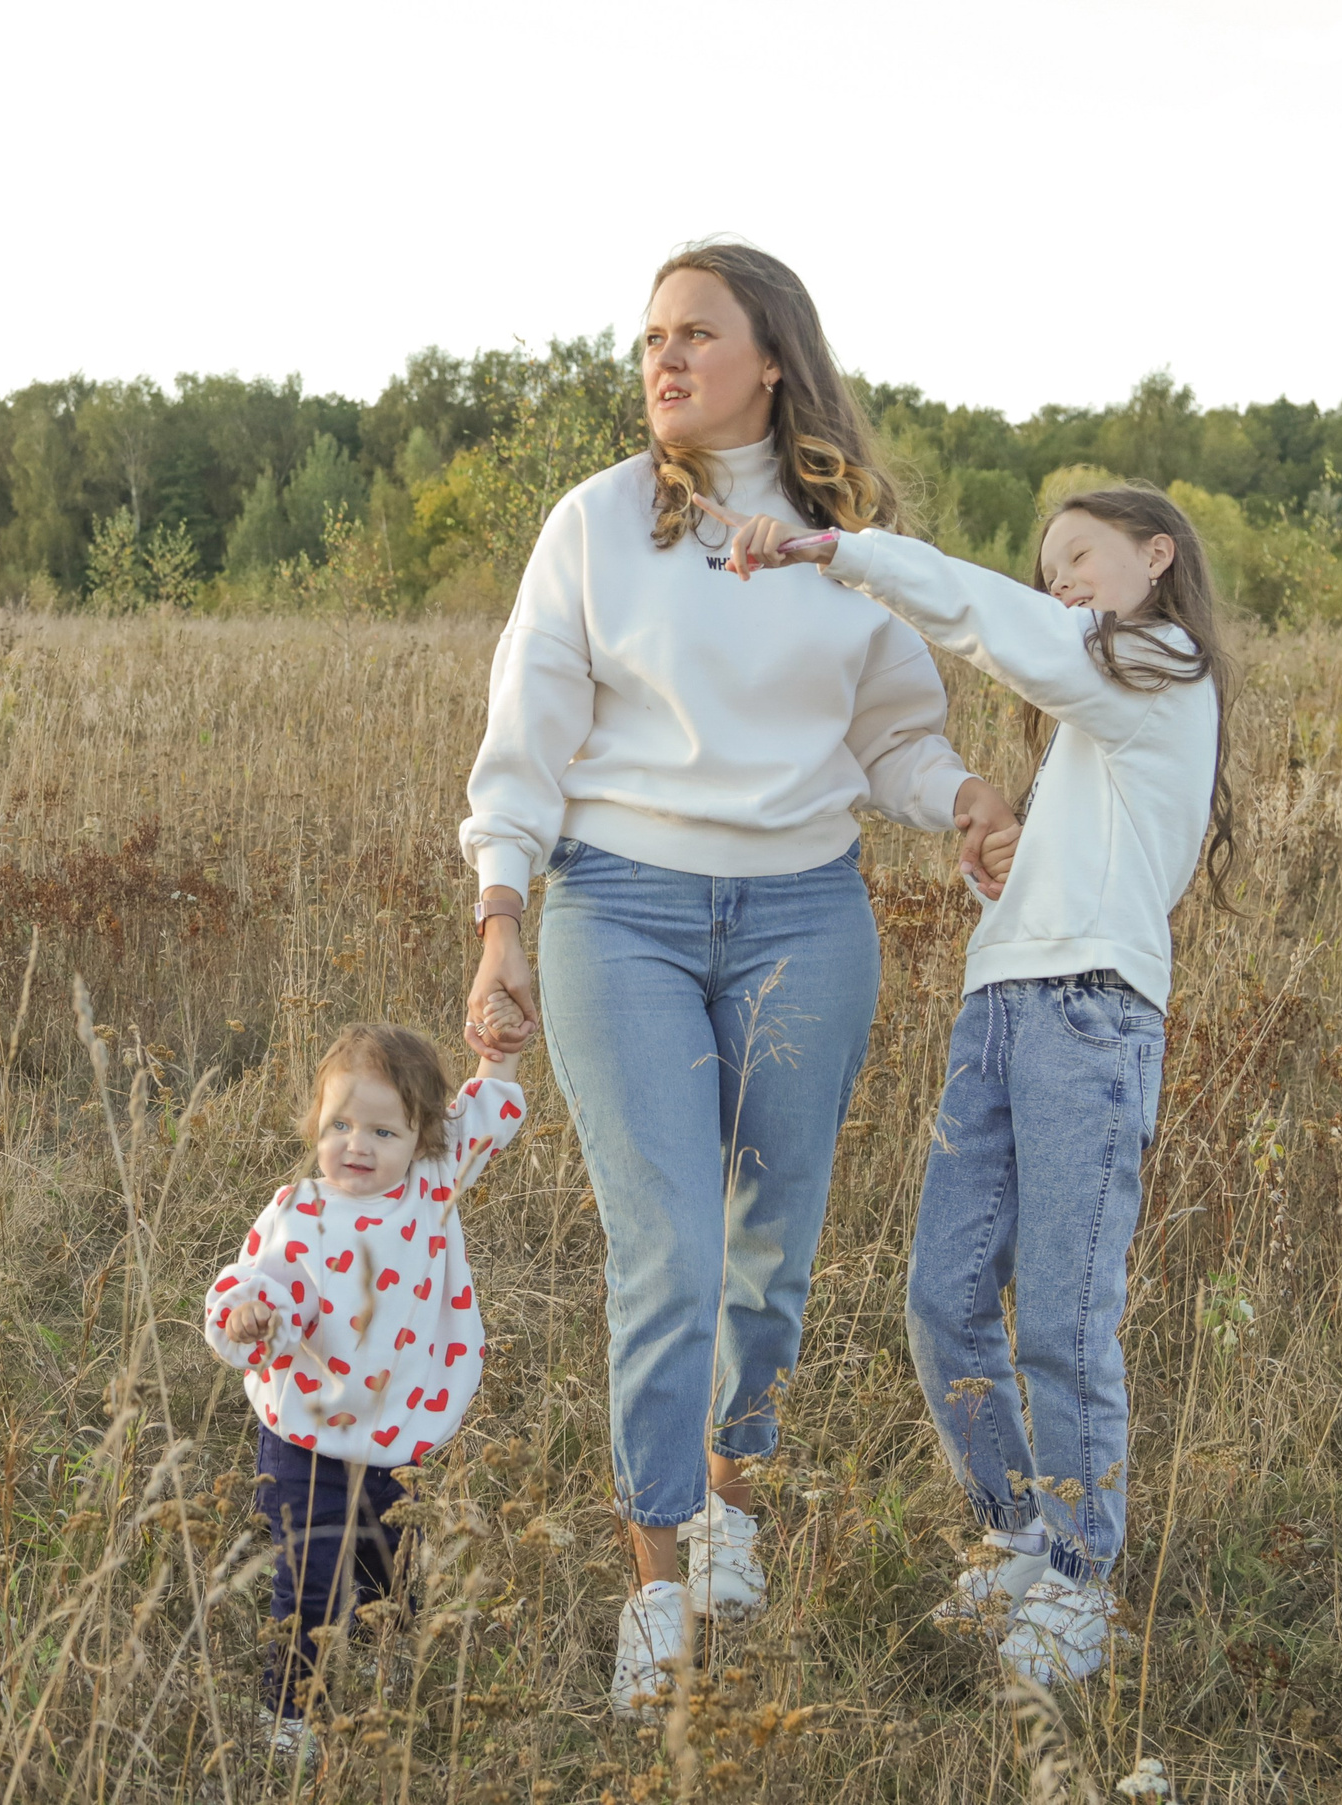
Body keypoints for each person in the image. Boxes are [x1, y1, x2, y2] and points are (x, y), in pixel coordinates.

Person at [458, 239, 1021, 1715]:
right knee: (671, 1255)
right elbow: (526, 738)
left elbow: (898, 731)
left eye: (695, 332)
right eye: (650, 335)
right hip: (618, 911)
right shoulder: (593, 527)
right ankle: (655, 1586)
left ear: (772, 358)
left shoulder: (855, 537)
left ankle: (730, 1513)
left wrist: (960, 798)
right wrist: (503, 915)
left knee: (773, 1249)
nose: (663, 358)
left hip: (803, 916)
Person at [700, 485, 1234, 1685]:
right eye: (1048, 567)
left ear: (1156, 557)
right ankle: (1019, 1531)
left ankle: (1084, 1576)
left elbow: (1007, 627)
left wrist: (849, 553)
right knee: (941, 1297)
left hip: (1089, 1018)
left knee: (1059, 1315)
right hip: (996, 1010)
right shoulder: (1092, 720)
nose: (1061, 583)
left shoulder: (1163, 661)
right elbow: (1067, 857)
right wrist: (999, 868)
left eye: (1080, 557)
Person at [202, 1021, 526, 1756]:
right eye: (340, 1123)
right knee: (308, 1577)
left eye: (383, 1130)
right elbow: (258, 1279)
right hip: (304, 1432)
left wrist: (500, 1046)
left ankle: (386, 1658)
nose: (357, 1144)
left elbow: (486, 1107)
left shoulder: (433, 1188)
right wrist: (257, 1314)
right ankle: (290, 1710)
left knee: (386, 1566)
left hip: (396, 1430)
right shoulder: (300, 1208)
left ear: (423, 1138)